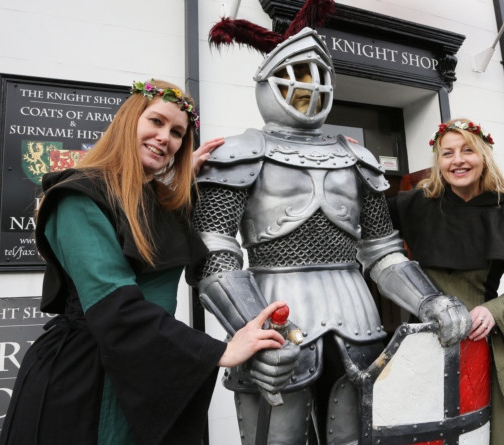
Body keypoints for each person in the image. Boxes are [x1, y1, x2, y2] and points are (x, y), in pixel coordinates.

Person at [191, 13, 472, 443]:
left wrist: (429, 301)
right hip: (272, 314)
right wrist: (254, 328)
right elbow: (215, 249)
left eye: (315, 74)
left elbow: (383, 251)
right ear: (268, 83)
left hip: (358, 321)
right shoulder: (239, 153)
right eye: (297, 75)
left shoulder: (358, 158)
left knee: (355, 437)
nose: (308, 85)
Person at [0, 79, 293, 445]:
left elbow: (165, 221)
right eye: (155, 121)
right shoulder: (79, 198)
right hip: (87, 378)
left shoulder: (155, 199)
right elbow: (116, 308)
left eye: (177, 133)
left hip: (145, 363)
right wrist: (222, 351)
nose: (165, 137)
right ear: (128, 122)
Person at [387, 118, 504, 445]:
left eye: (467, 151)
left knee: (488, 433)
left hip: (483, 340)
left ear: (483, 156)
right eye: (447, 153)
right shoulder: (411, 205)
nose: (457, 160)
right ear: (439, 161)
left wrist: (493, 311)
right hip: (423, 340)